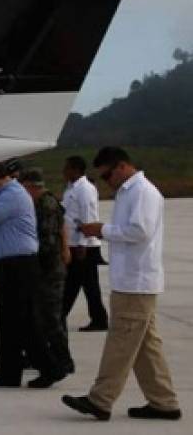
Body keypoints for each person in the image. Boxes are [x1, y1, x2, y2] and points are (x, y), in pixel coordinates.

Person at [62, 147, 182, 422]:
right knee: (144, 347)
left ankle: (100, 400)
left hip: (136, 283)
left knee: (120, 345)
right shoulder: (130, 192)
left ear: (121, 166)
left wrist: (100, 230)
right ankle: (164, 402)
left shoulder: (143, 192)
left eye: (106, 176)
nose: (106, 182)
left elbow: (140, 232)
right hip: (130, 281)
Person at [0, 160, 64, 388]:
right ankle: (9, 371)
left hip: (18, 266)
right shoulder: (6, 194)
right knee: (8, 322)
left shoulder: (12, 194)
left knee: (23, 321)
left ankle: (49, 368)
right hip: (8, 265)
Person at [21, 168, 75, 376]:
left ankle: (63, 359)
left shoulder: (46, 205)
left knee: (51, 318)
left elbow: (48, 242)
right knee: (43, 316)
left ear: (31, 187)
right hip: (47, 268)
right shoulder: (43, 203)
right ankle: (45, 355)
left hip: (49, 270)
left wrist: (32, 262)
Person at [61, 155, 109, 332]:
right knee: (89, 285)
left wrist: (82, 243)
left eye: (66, 168)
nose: (63, 172)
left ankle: (59, 315)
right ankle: (99, 319)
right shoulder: (71, 188)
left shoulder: (85, 189)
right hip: (75, 243)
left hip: (83, 246)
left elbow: (87, 215)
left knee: (72, 283)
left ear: (75, 169)